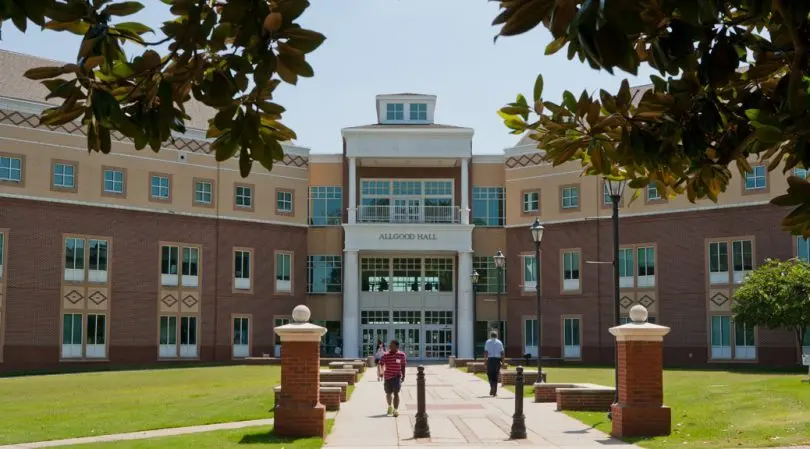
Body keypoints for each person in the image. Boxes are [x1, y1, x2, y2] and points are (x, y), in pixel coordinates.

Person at [379, 339, 407, 417]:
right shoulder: (385, 355)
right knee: (388, 393)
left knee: (396, 394)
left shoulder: (402, 355)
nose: (390, 346)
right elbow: (381, 363)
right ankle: (389, 406)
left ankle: (395, 410)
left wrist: (403, 376)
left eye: (392, 345)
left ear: (397, 346)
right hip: (387, 377)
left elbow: (403, 366)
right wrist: (381, 371)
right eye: (390, 345)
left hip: (397, 377)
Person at [483, 330, 505, 397]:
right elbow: (502, 353)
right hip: (497, 360)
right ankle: (494, 391)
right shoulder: (499, 342)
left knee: (489, 374)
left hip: (490, 360)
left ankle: (492, 386)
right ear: (496, 335)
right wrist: (503, 362)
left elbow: (486, 352)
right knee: (496, 375)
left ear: (491, 335)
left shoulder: (488, 342)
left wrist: (485, 361)